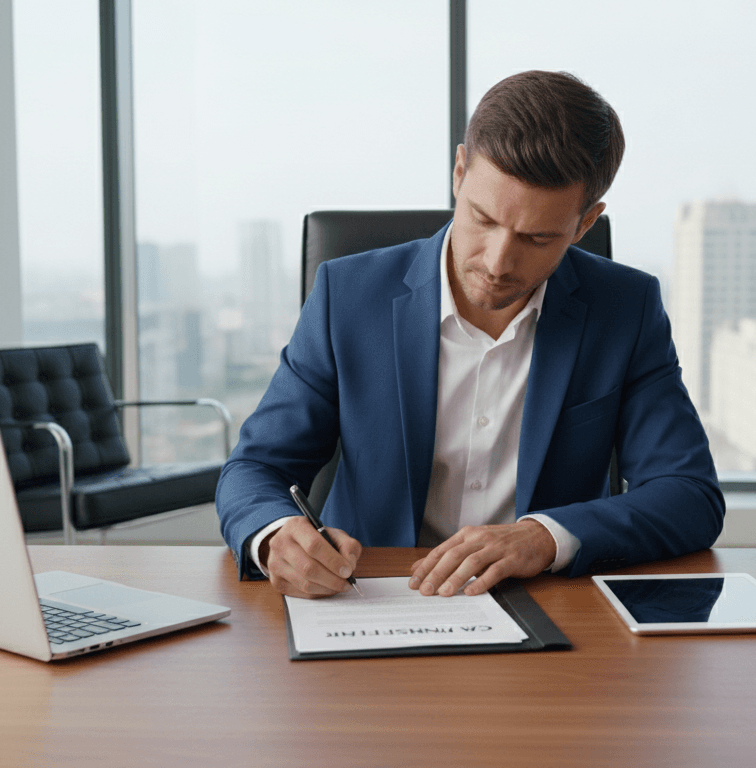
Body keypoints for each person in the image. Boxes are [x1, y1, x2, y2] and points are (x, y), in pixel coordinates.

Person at [216, 70, 723, 599]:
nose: (498, 262)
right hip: (367, 599)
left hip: (544, 607)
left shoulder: (626, 308)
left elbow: (688, 495)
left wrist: (543, 538)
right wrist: (274, 535)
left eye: (536, 237)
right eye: (483, 219)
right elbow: (255, 467)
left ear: (585, 225)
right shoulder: (347, 296)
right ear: (460, 173)